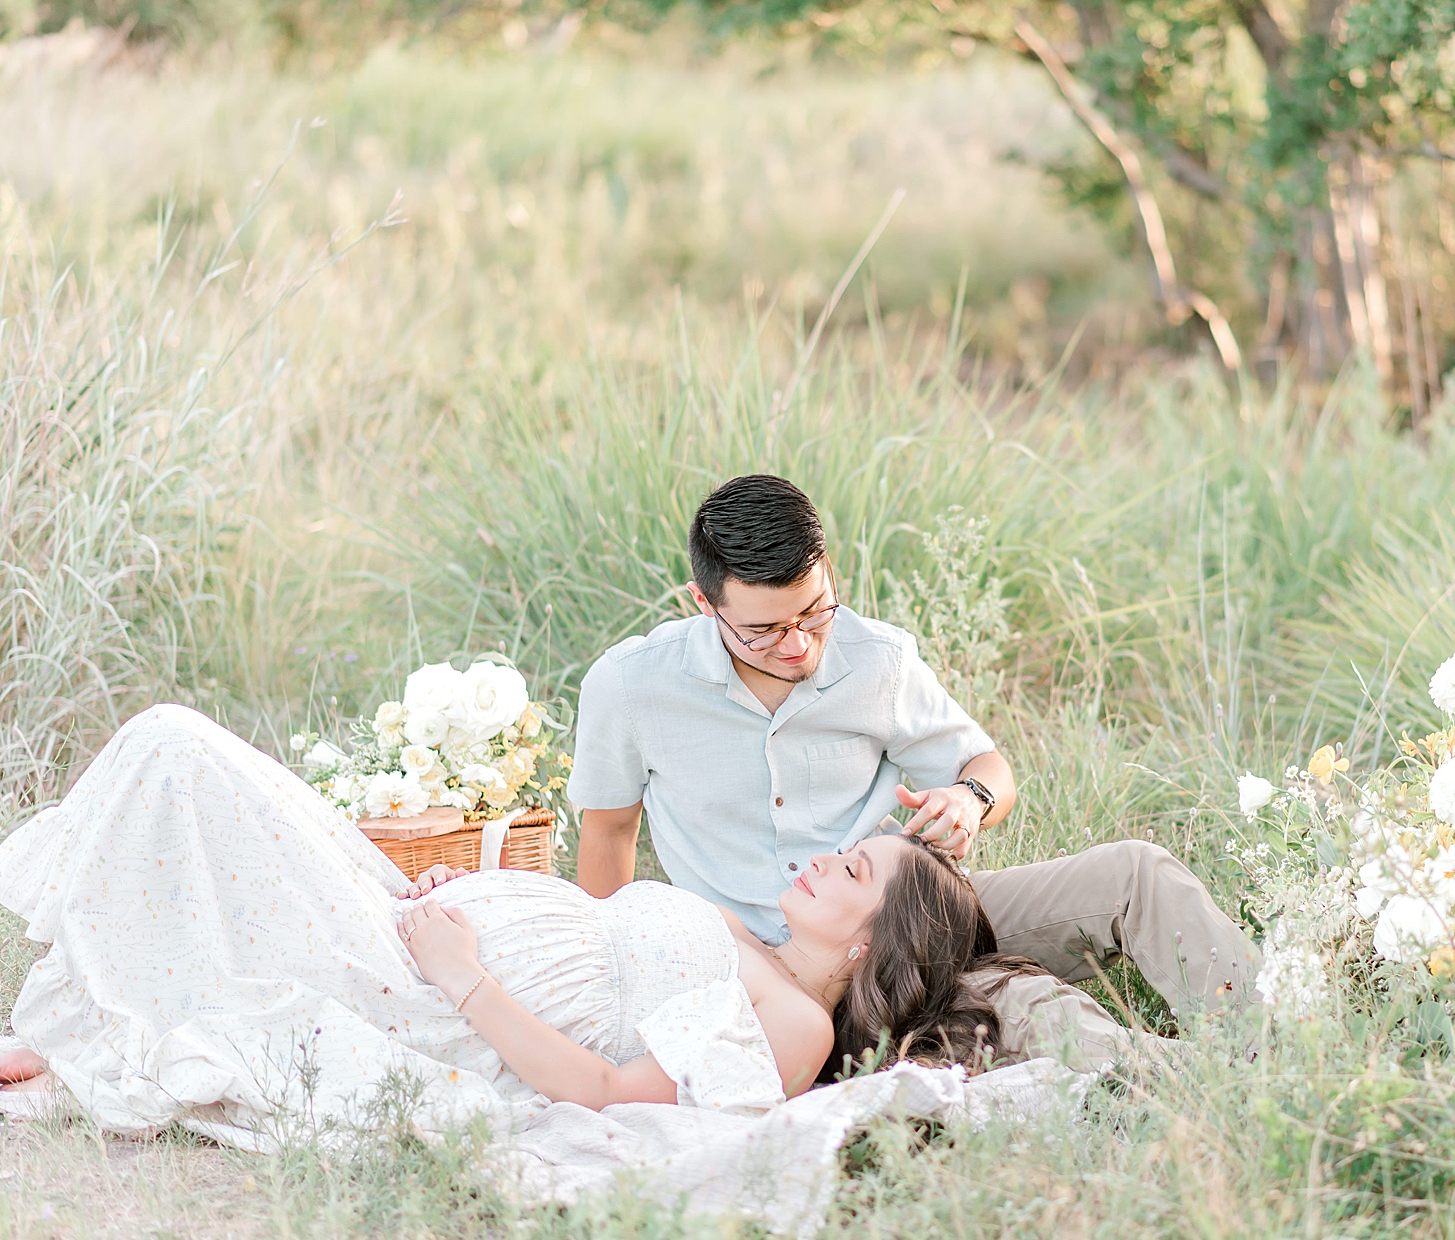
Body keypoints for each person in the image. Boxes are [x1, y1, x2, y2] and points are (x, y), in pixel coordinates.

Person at [0, 705, 1026, 1144]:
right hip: (423, 932)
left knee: (180, 750)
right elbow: (593, 921)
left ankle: (68, 1039)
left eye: (848, 867)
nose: (817, 859)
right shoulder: (742, 933)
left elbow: (611, 1090)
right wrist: (474, 890)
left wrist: (465, 975)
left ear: (868, 941)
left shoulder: (795, 1028)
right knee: (184, 764)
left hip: (435, 1000)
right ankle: (74, 1025)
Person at [569, 474, 1259, 1068]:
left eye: (815, 611)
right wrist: (602, 990)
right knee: (1013, 1002)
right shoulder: (630, 687)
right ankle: (1191, 1083)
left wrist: (968, 798)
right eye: (766, 631)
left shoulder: (877, 659)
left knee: (1134, 873)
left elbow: (988, 767)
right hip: (785, 973)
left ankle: (1270, 1049)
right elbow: (608, 837)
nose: (799, 643)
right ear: (703, 602)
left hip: (912, 911)